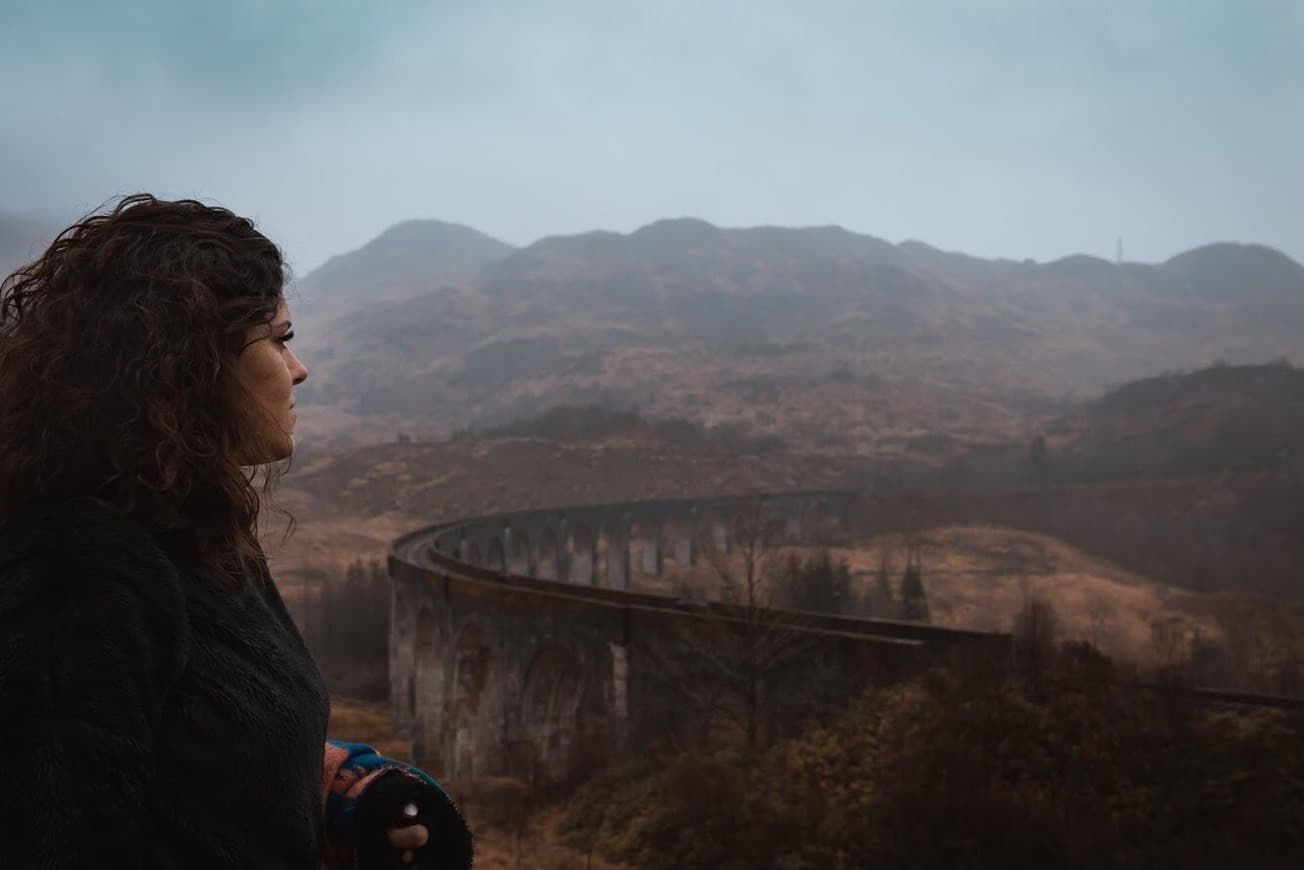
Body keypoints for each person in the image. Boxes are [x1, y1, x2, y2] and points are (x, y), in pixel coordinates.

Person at [0, 195, 473, 869]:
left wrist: (351, 797)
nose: (298, 369)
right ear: (186, 365)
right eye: (278, 339)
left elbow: (207, 754)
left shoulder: (199, 535)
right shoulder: (75, 570)